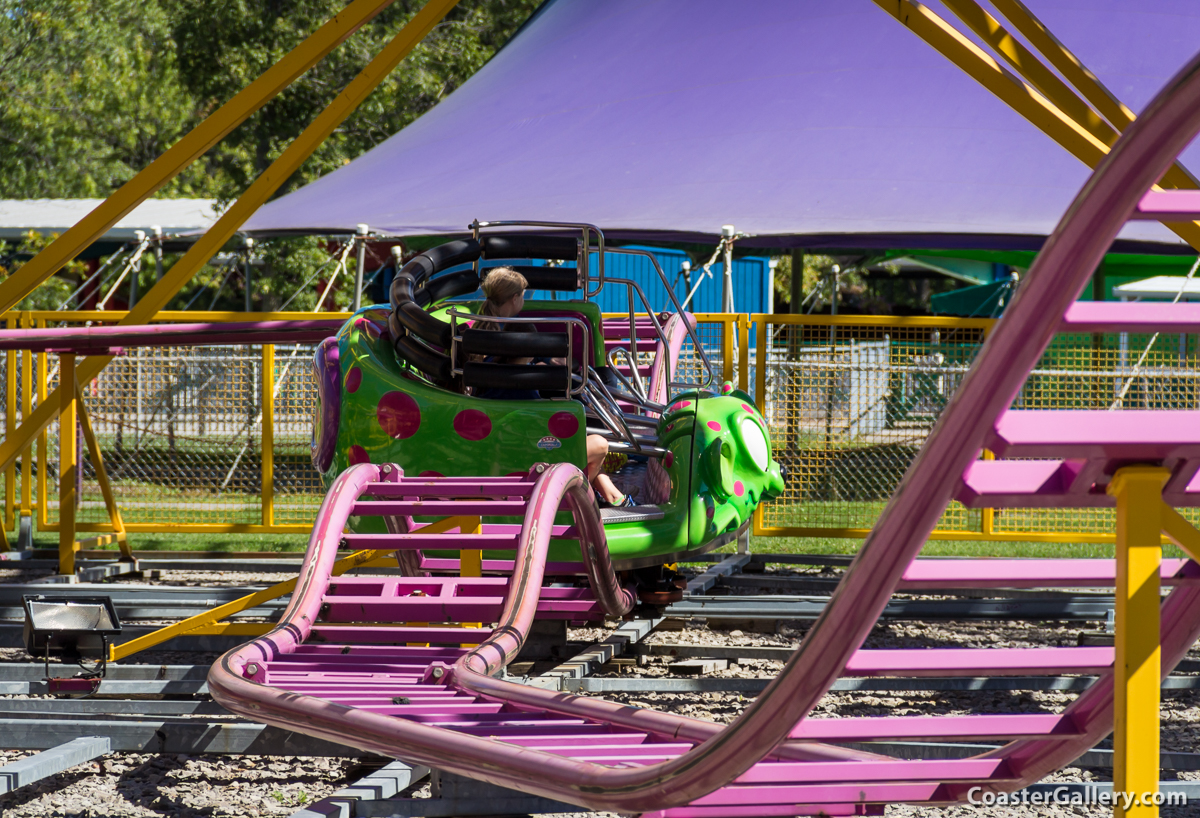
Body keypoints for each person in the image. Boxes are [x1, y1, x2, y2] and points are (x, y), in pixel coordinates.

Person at [474, 267, 631, 507]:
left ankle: (609, 495)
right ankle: (579, 499)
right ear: (515, 299)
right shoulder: (523, 385)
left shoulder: (483, 342)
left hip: (500, 441)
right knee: (600, 444)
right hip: (527, 449)